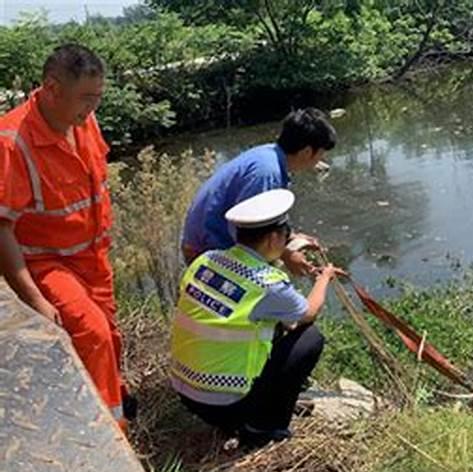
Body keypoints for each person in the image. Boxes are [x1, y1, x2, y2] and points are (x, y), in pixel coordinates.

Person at [0, 44, 132, 428]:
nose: (92, 108)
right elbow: (2, 228)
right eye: (85, 98)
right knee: (92, 334)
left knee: (109, 335)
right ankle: (108, 435)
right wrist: (34, 298)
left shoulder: (83, 122)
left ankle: (109, 404)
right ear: (52, 88)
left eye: (97, 98)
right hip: (48, 262)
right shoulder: (12, 142)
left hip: (93, 258)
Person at [170, 189, 345, 447]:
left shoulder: (207, 260)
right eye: (286, 236)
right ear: (274, 238)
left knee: (273, 322)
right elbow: (308, 312)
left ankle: (252, 412)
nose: (287, 242)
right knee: (309, 339)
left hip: (186, 393)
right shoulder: (266, 283)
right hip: (226, 404)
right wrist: (324, 277)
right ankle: (264, 428)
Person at [181, 108, 336, 276]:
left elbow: (264, 219)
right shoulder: (267, 174)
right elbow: (247, 230)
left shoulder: (269, 154)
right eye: (320, 154)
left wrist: (291, 237)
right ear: (307, 152)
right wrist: (287, 254)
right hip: (208, 252)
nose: (320, 161)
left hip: (206, 241)